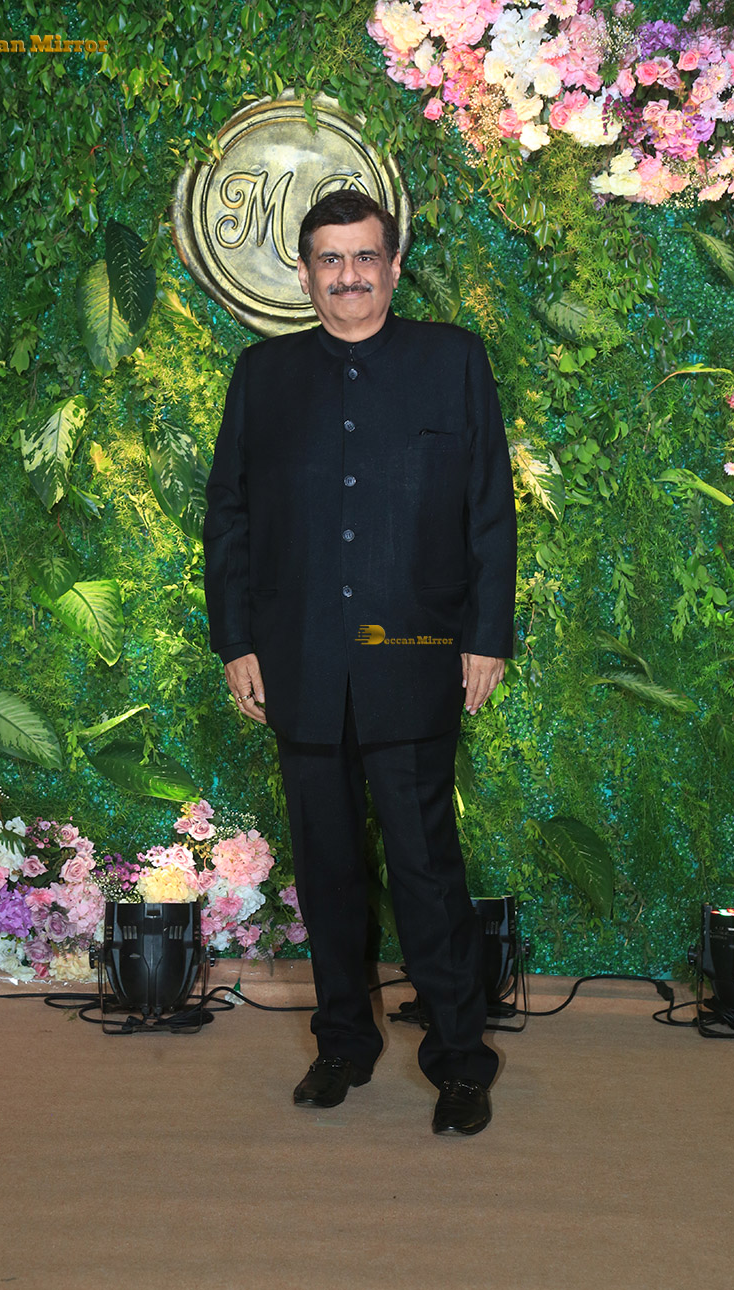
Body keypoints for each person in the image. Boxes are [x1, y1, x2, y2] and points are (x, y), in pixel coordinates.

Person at [203, 190, 517, 1135]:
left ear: (393, 265)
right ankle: (343, 1042)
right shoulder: (263, 374)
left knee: (426, 868)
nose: (350, 275)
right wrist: (236, 640)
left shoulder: (452, 361)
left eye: (366, 256)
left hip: (416, 659)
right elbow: (230, 515)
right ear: (305, 274)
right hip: (297, 661)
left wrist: (487, 635)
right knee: (327, 870)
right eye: (331, 259)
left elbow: (489, 509)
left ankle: (460, 1060)